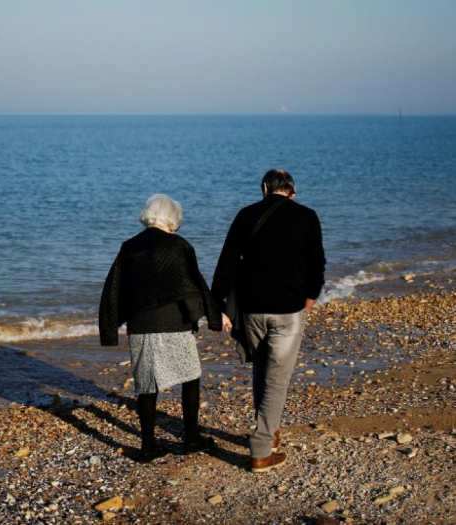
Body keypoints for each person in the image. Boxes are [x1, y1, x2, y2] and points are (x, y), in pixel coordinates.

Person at [99, 194, 231, 462]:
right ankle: (191, 439)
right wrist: (214, 315)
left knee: (146, 385)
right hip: (175, 323)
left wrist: (111, 325)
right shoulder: (178, 246)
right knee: (191, 376)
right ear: (172, 219)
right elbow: (193, 286)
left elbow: (114, 289)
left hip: (141, 324)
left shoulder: (129, 246)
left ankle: (148, 447)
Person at [212, 169, 325, 473]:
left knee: (262, 370)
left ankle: (271, 433)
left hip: (251, 310)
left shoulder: (246, 215)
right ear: (292, 190)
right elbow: (317, 264)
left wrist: (218, 303)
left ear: (264, 188)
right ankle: (262, 450)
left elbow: (227, 262)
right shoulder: (307, 216)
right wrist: (310, 300)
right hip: (288, 309)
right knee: (277, 379)